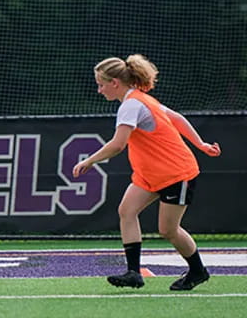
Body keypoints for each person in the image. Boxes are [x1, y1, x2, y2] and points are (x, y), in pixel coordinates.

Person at [73, 54, 221, 291]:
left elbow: (118, 144)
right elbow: (177, 118)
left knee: (168, 229)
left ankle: (198, 271)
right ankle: (133, 273)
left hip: (176, 172)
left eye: (101, 84)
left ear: (115, 83)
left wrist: (90, 160)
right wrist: (201, 143)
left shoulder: (133, 104)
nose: (99, 90)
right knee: (127, 211)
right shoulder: (139, 100)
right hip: (150, 174)